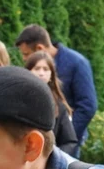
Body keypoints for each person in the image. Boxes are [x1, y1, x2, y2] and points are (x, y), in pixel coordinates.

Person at [15, 25, 98, 157]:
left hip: (66, 141)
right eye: (36, 68)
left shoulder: (77, 63)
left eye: (26, 54)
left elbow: (88, 105)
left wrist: (67, 136)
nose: (24, 59)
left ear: (39, 48)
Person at [25, 51, 78, 154]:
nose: (41, 73)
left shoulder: (58, 106)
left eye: (45, 69)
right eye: (37, 68)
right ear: (28, 71)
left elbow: (69, 141)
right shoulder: (17, 100)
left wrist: (53, 158)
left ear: (51, 75)